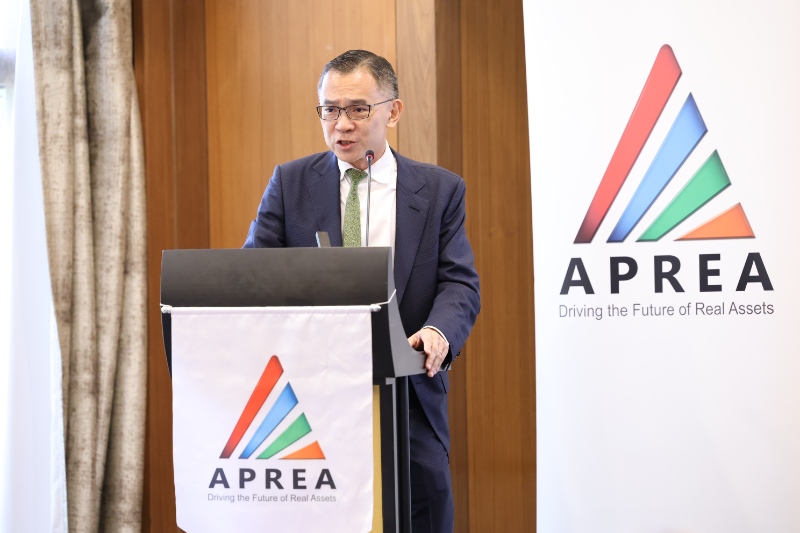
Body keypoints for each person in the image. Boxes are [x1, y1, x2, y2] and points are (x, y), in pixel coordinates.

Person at [243, 49, 480, 533]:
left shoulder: (439, 191)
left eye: (357, 109)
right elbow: (253, 278)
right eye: (330, 110)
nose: (342, 124)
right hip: (309, 399)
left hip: (407, 396)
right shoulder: (290, 184)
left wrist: (438, 332)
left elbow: (459, 282)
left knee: (421, 514)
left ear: (393, 111)